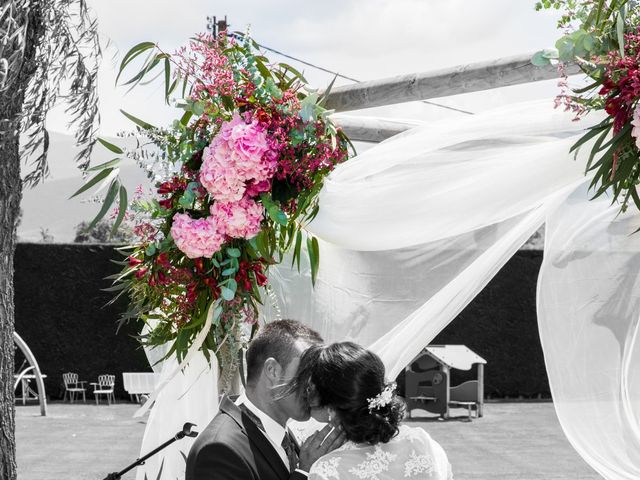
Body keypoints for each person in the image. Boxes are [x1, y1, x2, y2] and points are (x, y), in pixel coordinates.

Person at [185, 319, 347, 480]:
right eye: (307, 374)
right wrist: (304, 473)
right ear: (272, 371)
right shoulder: (218, 451)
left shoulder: (283, 435)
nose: (315, 386)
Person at [291, 341, 453, 480]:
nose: (304, 394)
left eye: (309, 388)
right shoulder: (424, 443)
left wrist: (305, 470)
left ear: (332, 407)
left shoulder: (327, 470)